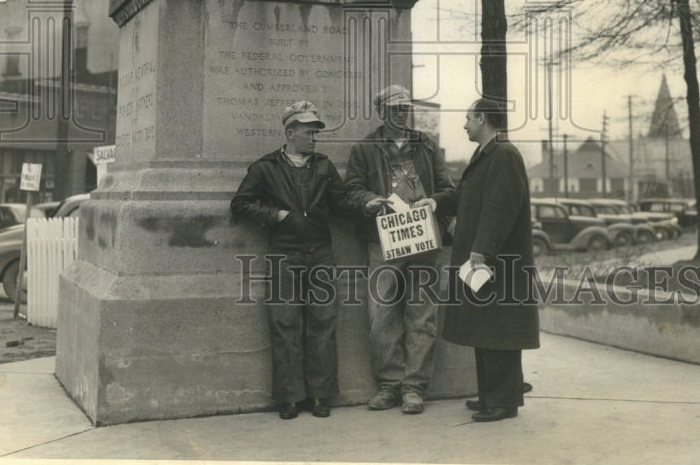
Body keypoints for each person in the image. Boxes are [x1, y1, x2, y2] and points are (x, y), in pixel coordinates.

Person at [230, 100, 385, 419]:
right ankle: (288, 397)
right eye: (308, 132)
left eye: (316, 132)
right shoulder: (265, 167)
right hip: (283, 256)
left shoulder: (324, 166)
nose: (314, 138)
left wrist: (364, 207)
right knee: (284, 324)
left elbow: (341, 202)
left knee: (323, 324)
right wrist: (275, 215)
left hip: (320, 256)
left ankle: (320, 395)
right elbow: (241, 204)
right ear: (290, 132)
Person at [417, 98, 539, 423]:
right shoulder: (488, 154)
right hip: (484, 262)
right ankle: (489, 396)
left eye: (468, 118)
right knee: (485, 330)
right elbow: (463, 197)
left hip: (494, 263)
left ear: (483, 118)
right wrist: (435, 201)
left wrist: (481, 250)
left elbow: (500, 209)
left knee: (500, 333)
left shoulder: (504, 155)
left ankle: (504, 401)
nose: (465, 124)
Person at [344, 84, 454, 415]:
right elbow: (352, 189)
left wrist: (433, 202)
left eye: (405, 108)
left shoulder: (427, 145)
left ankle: (414, 388)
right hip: (383, 239)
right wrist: (369, 201)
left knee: (422, 313)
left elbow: (447, 188)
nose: (402, 114)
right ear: (381, 112)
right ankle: (390, 385)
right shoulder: (364, 149)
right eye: (394, 109)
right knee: (381, 314)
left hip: (423, 238)